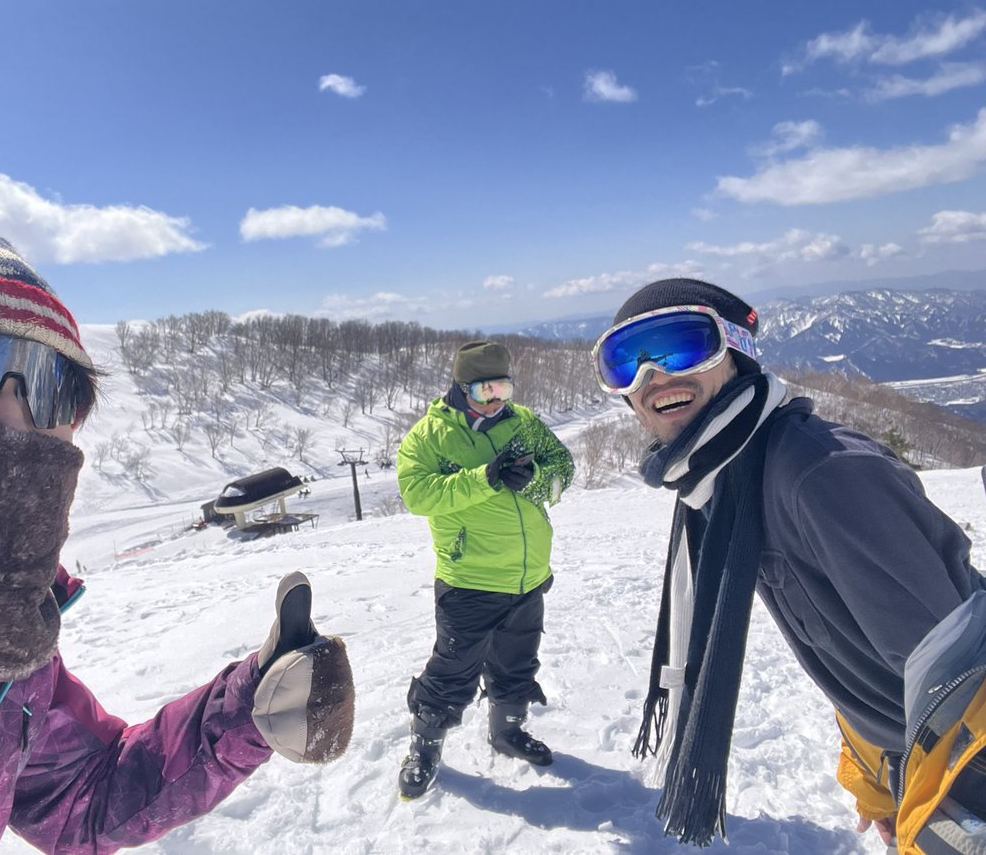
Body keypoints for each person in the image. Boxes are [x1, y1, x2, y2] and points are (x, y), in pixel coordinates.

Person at [0, 189, 354, 853]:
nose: (12, 422)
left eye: (50, 386)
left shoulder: (1, 638)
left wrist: (248, 710)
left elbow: (84, 795)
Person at [593, 277, 985, 852]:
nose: (653, 376)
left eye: (683, 345)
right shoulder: (735, 480)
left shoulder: (819, 475)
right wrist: (882, 778)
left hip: (962, 778)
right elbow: (859, 656)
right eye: (624, 362)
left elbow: (959, 665)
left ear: (737, 353)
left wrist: (942, 817)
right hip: (915, 764)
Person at [395, 340, 575, 798]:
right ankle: (424, 749)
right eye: (484, 391)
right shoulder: (429, 437)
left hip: (528, 576)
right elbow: (419, 495)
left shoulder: (524, 424)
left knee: (517, 662)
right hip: (469, 580)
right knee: (452, 671)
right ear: (461, 388)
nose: (496, 401)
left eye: (503, 389)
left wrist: (536, 480)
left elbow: (563, 467)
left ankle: (507, 731)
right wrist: (484, 479)